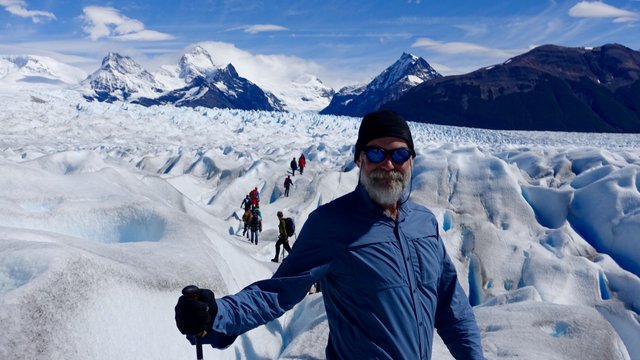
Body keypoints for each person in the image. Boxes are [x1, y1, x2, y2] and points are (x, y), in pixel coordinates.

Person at [174, 110, 484, 359]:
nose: (388, 164)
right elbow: (278, 291)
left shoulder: (424, 224)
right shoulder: (331, 224)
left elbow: (451, 306)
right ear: (359, 159)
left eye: (399, 155)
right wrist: (217, 316)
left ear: (412, 161)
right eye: (375, 154)